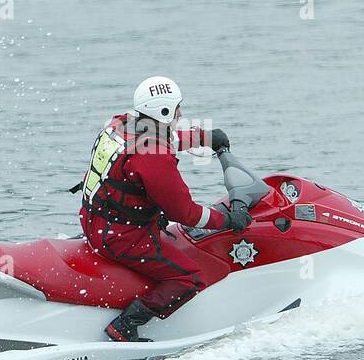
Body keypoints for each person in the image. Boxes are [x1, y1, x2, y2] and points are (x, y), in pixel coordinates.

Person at [78, 76, 251, 342]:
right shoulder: (153, 157)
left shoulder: (120, 124)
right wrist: (227, 220)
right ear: (164, 111)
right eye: (176, 108)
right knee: (190, 277)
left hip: (96, 222)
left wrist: (203, 138)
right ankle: (126, 324)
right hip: (121, 238)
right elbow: (186, 214)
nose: (180, 113)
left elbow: (160, 138)